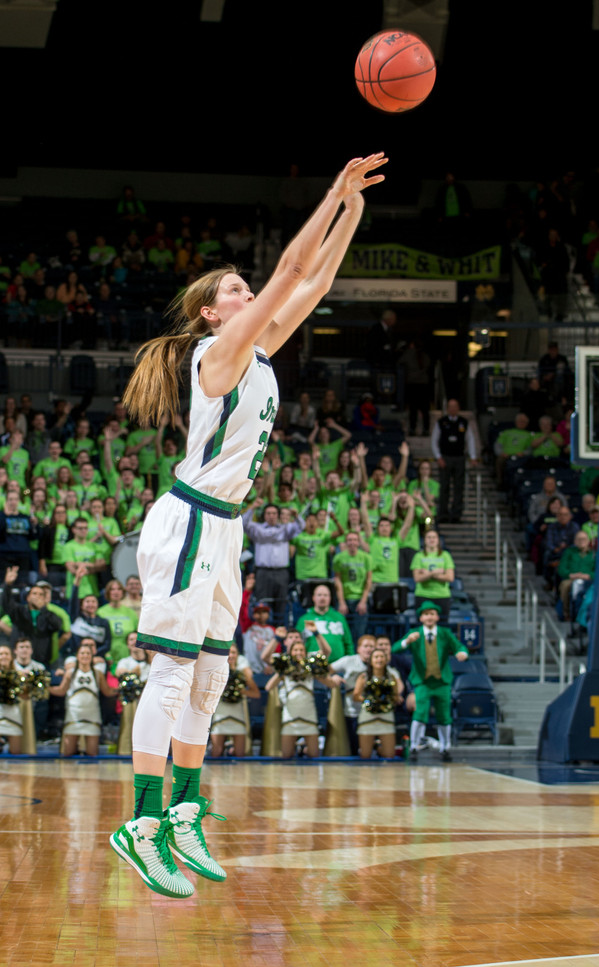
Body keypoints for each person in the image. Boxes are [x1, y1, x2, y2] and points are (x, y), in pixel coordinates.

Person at [108, 153, 388, 898]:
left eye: (244, 287)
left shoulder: (256, 349)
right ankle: (140, 823)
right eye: (235, 289)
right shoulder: (218, 351)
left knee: (211, 672)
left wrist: (354, 208)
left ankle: (186, 808)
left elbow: (316, 282)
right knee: (171, 673)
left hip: (224, 529)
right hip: (189, 522)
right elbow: (292, 269)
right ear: (212, 311)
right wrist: (331, 192)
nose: (247, 293)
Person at [397, 601, 469, 762]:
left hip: (441, 681)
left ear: (437, 617)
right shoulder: (414, 634)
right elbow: (396, 648)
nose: (429, 617)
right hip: (423, 682)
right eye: (426, 614)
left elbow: (459, 647)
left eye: (432, 614)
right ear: (421, 617)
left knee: (444, 715)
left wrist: (462, 653)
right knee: (420, 713)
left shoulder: (445, 633)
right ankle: (414, 746)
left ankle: (445, 747)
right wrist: (407, 641)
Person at [264, 638, 340, 758]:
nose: (298, 652)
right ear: (290, 652)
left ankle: (302, 750)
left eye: (301, 650)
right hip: (290, 717)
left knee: (314, 755)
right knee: (286, 755)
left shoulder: (311, 668)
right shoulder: (285, 669)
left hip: (309, 715)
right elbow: (269, 687)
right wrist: (281, 672)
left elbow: (330, 683)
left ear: (305, 652)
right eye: (295, 650)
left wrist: (332, 678)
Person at [50, 641, 117, 756]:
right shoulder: (70, 673)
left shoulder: (97, 673)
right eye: (82, 653)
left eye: (88, 653)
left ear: (92, 656)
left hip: (92, 715)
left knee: (92, 753)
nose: (85, 656)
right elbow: (61, 691)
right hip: (73, 715)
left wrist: (122, 689)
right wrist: (45, 688)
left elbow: (107, 691)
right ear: (77, 656)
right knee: (68, 752)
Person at [210, 642, 260, 757]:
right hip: (220, 714)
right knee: (216, 752)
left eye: (233, 652)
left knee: (240, 753)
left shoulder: (242, 675)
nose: (231, 655)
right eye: (228, 652)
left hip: (237, 714)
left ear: (238, 655)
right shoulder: (216, 672)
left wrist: (241, 691)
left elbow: (256, 694)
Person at [431, 400, 478, 523]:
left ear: (458, 408)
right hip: (445, 457)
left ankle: (456, 514)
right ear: (447, 408)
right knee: (444, 486)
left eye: (454, 406)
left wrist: (473, 456)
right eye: (450, 407)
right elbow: (434, 440)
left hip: (459, 457)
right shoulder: (441, 422)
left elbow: (470, 440)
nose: (452, 409)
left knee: (459, 486)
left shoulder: (464, 422)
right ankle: (443, 514)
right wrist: (438, 457)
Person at [352, 647, 403, 759]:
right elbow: (356, 696)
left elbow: (395, 696)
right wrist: (370, 701)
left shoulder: (391, 677)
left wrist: (392, 700)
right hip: (368, 717)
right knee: (365, 755)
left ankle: (379, 749)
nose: (379, 659)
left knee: (389, 755)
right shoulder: (364, 676)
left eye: (381, 657)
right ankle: (375, 746)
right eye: (376, 657)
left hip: (386, 716)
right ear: (371, 660)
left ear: (386, 660)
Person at [0, 644, 28, 755]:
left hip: (13, 713)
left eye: (6, 654)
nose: (4, 656)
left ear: (11, 656)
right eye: (1, 654)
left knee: (16, 752)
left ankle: (5, 741)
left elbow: (25, 696)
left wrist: (24, 685)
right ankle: (0, 744)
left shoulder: (18, 674)